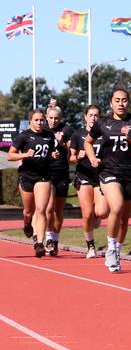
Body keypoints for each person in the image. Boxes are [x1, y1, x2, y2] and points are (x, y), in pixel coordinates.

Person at [84, 88, 131, 272]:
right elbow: (88, 142)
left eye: (124, 100)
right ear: (111, 103)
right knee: (115, 206)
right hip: (109, 171)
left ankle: (117, 250)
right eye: (117, 100)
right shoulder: (103, 123)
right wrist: (92, 158)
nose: (121, 103)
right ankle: (110, 247)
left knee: (124, 219)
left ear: (128, 102)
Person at [8, 110, 58, 257]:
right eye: (36, 120)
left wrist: (53, 154)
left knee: (41, 210)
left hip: (43, 176)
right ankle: (27, 223)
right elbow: (11, 155)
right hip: (27, 176)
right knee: (29, 211)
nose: (39, 123)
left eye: (42, 120)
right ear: (30, 121)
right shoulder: (23, 136)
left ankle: (39, 244)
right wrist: (25, 155)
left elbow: (49, 152)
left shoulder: (49, 135)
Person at [69, 105, 108, 258]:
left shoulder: (105, 133)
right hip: (84, 176)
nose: (93, 118)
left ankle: (96, 218)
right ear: (85, 117)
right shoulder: (78, 134)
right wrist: (78, 156)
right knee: (87, 214)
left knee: (102, 211)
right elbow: (70, 158)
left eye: (96, 115)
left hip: (101, 176)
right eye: (90, 115)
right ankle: (90, 246)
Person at [44, 106, 74, 256]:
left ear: (60, 118)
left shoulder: (67, 130)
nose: (53, 121)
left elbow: (71, 150)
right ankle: (48, 238)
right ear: (46, 117)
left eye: (56, 118)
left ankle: (55, 239)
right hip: (46, 173)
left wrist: (61, 142)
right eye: (51, 117)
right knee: (49, 208)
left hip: (62, 172)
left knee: (58, 211)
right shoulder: (42, 131)